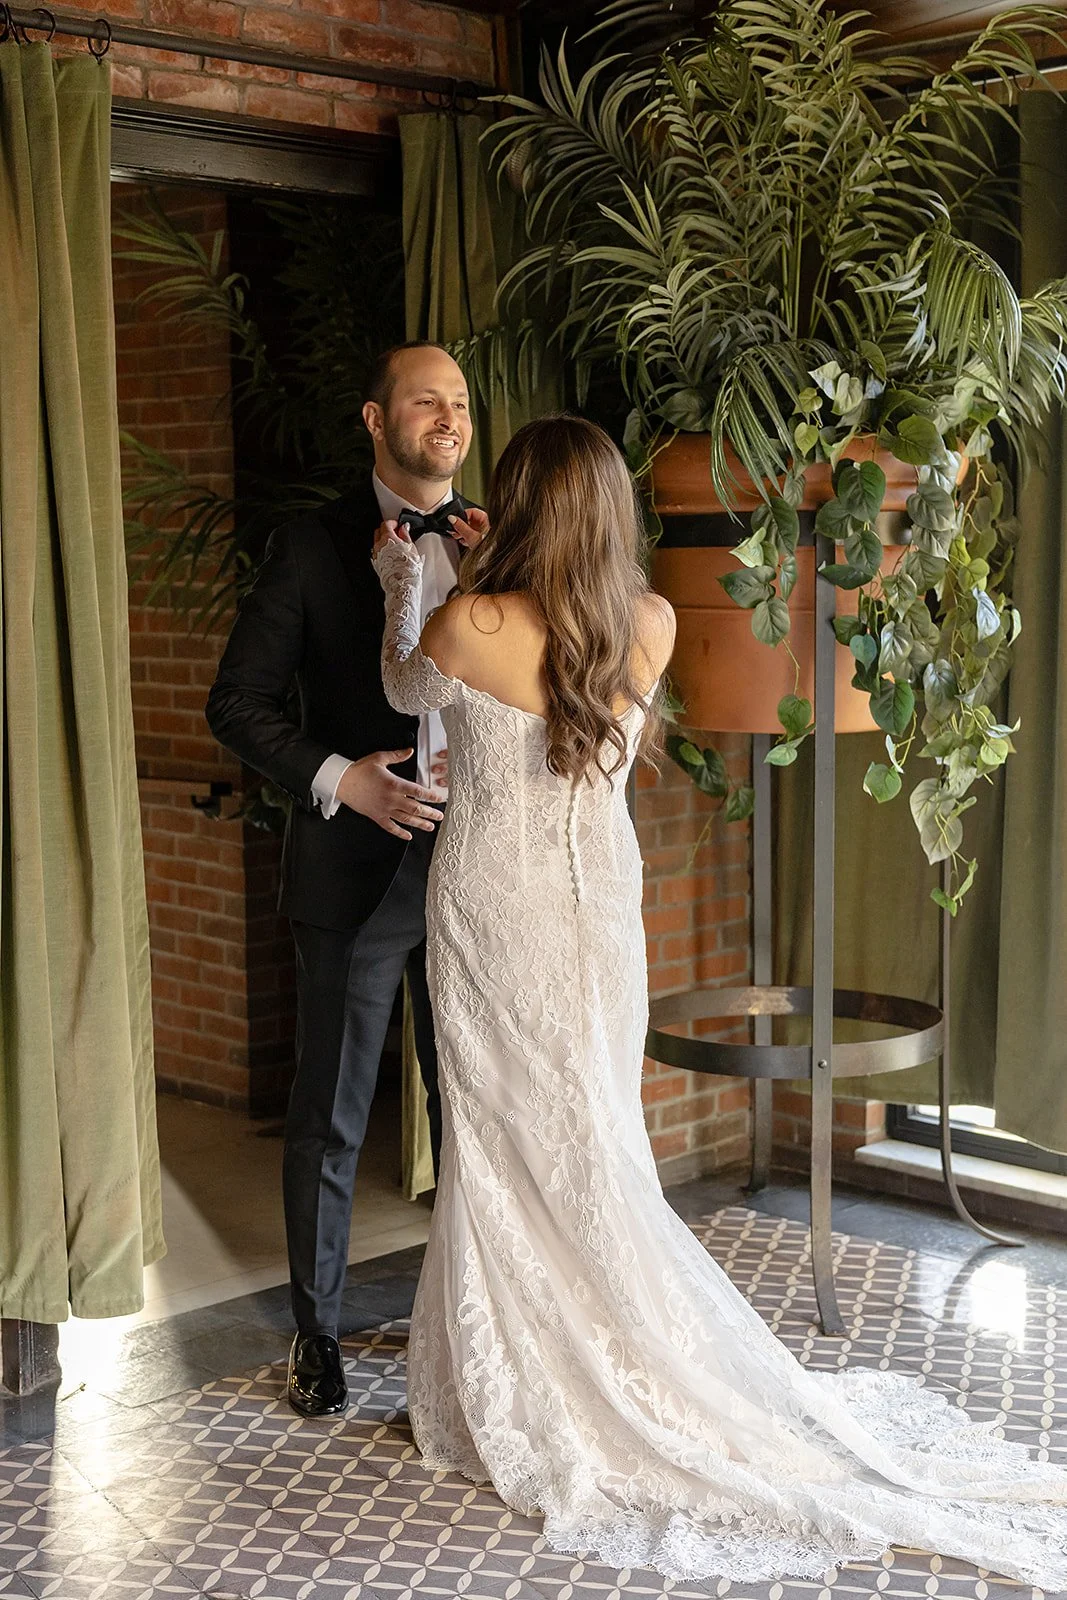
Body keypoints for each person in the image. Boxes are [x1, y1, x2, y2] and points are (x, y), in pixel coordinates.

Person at [370, 413, 1067, 1587]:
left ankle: (533, 1379)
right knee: (592, 1131)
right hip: (596, 918)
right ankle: (584, 1351)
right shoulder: (647, 619)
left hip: (492, 909)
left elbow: (402, 685)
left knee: (502, 1141)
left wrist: (408, 574)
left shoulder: (463, 617)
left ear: (520, 506)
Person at [206, 341, 488, 1418]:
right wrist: (340, 779)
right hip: (353, 880)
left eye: (458, 402)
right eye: (425, 401)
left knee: (475, 1103)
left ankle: (470, 1311)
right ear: (377, 419)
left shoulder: (497, 540)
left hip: (477, 870)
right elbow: (237, 702)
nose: (447, 417)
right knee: (329, 1115)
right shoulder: (311, 544)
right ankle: (317, 1334)